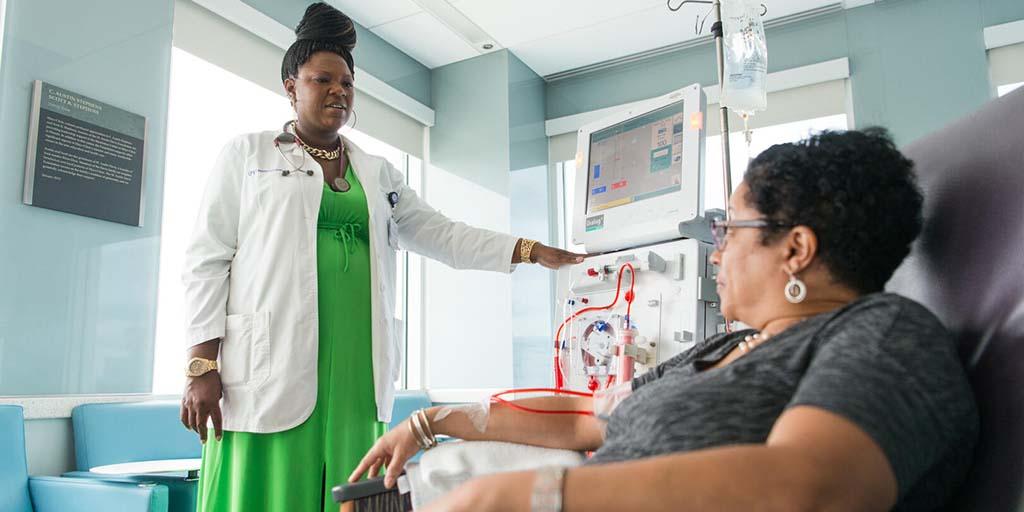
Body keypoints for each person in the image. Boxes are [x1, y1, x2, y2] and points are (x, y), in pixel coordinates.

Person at [351, 128, 979, 512]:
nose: (716, 247)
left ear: (796, 249)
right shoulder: (732, 344)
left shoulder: (882, 335)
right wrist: (433, 423)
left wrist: (532, 498)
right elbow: (583, 418)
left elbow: (808, 490)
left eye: (730, 228)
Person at [178, 4, 584, 511]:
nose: (339, 91)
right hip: (267, 364)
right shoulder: (248, 154)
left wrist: (524, 249)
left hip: (355, 370)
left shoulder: (377, 171)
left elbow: (443, 234)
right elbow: (206, 260)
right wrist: (201, 366)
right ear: (291, 86)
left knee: (349, 493)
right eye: (322, 79)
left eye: (347, 83)